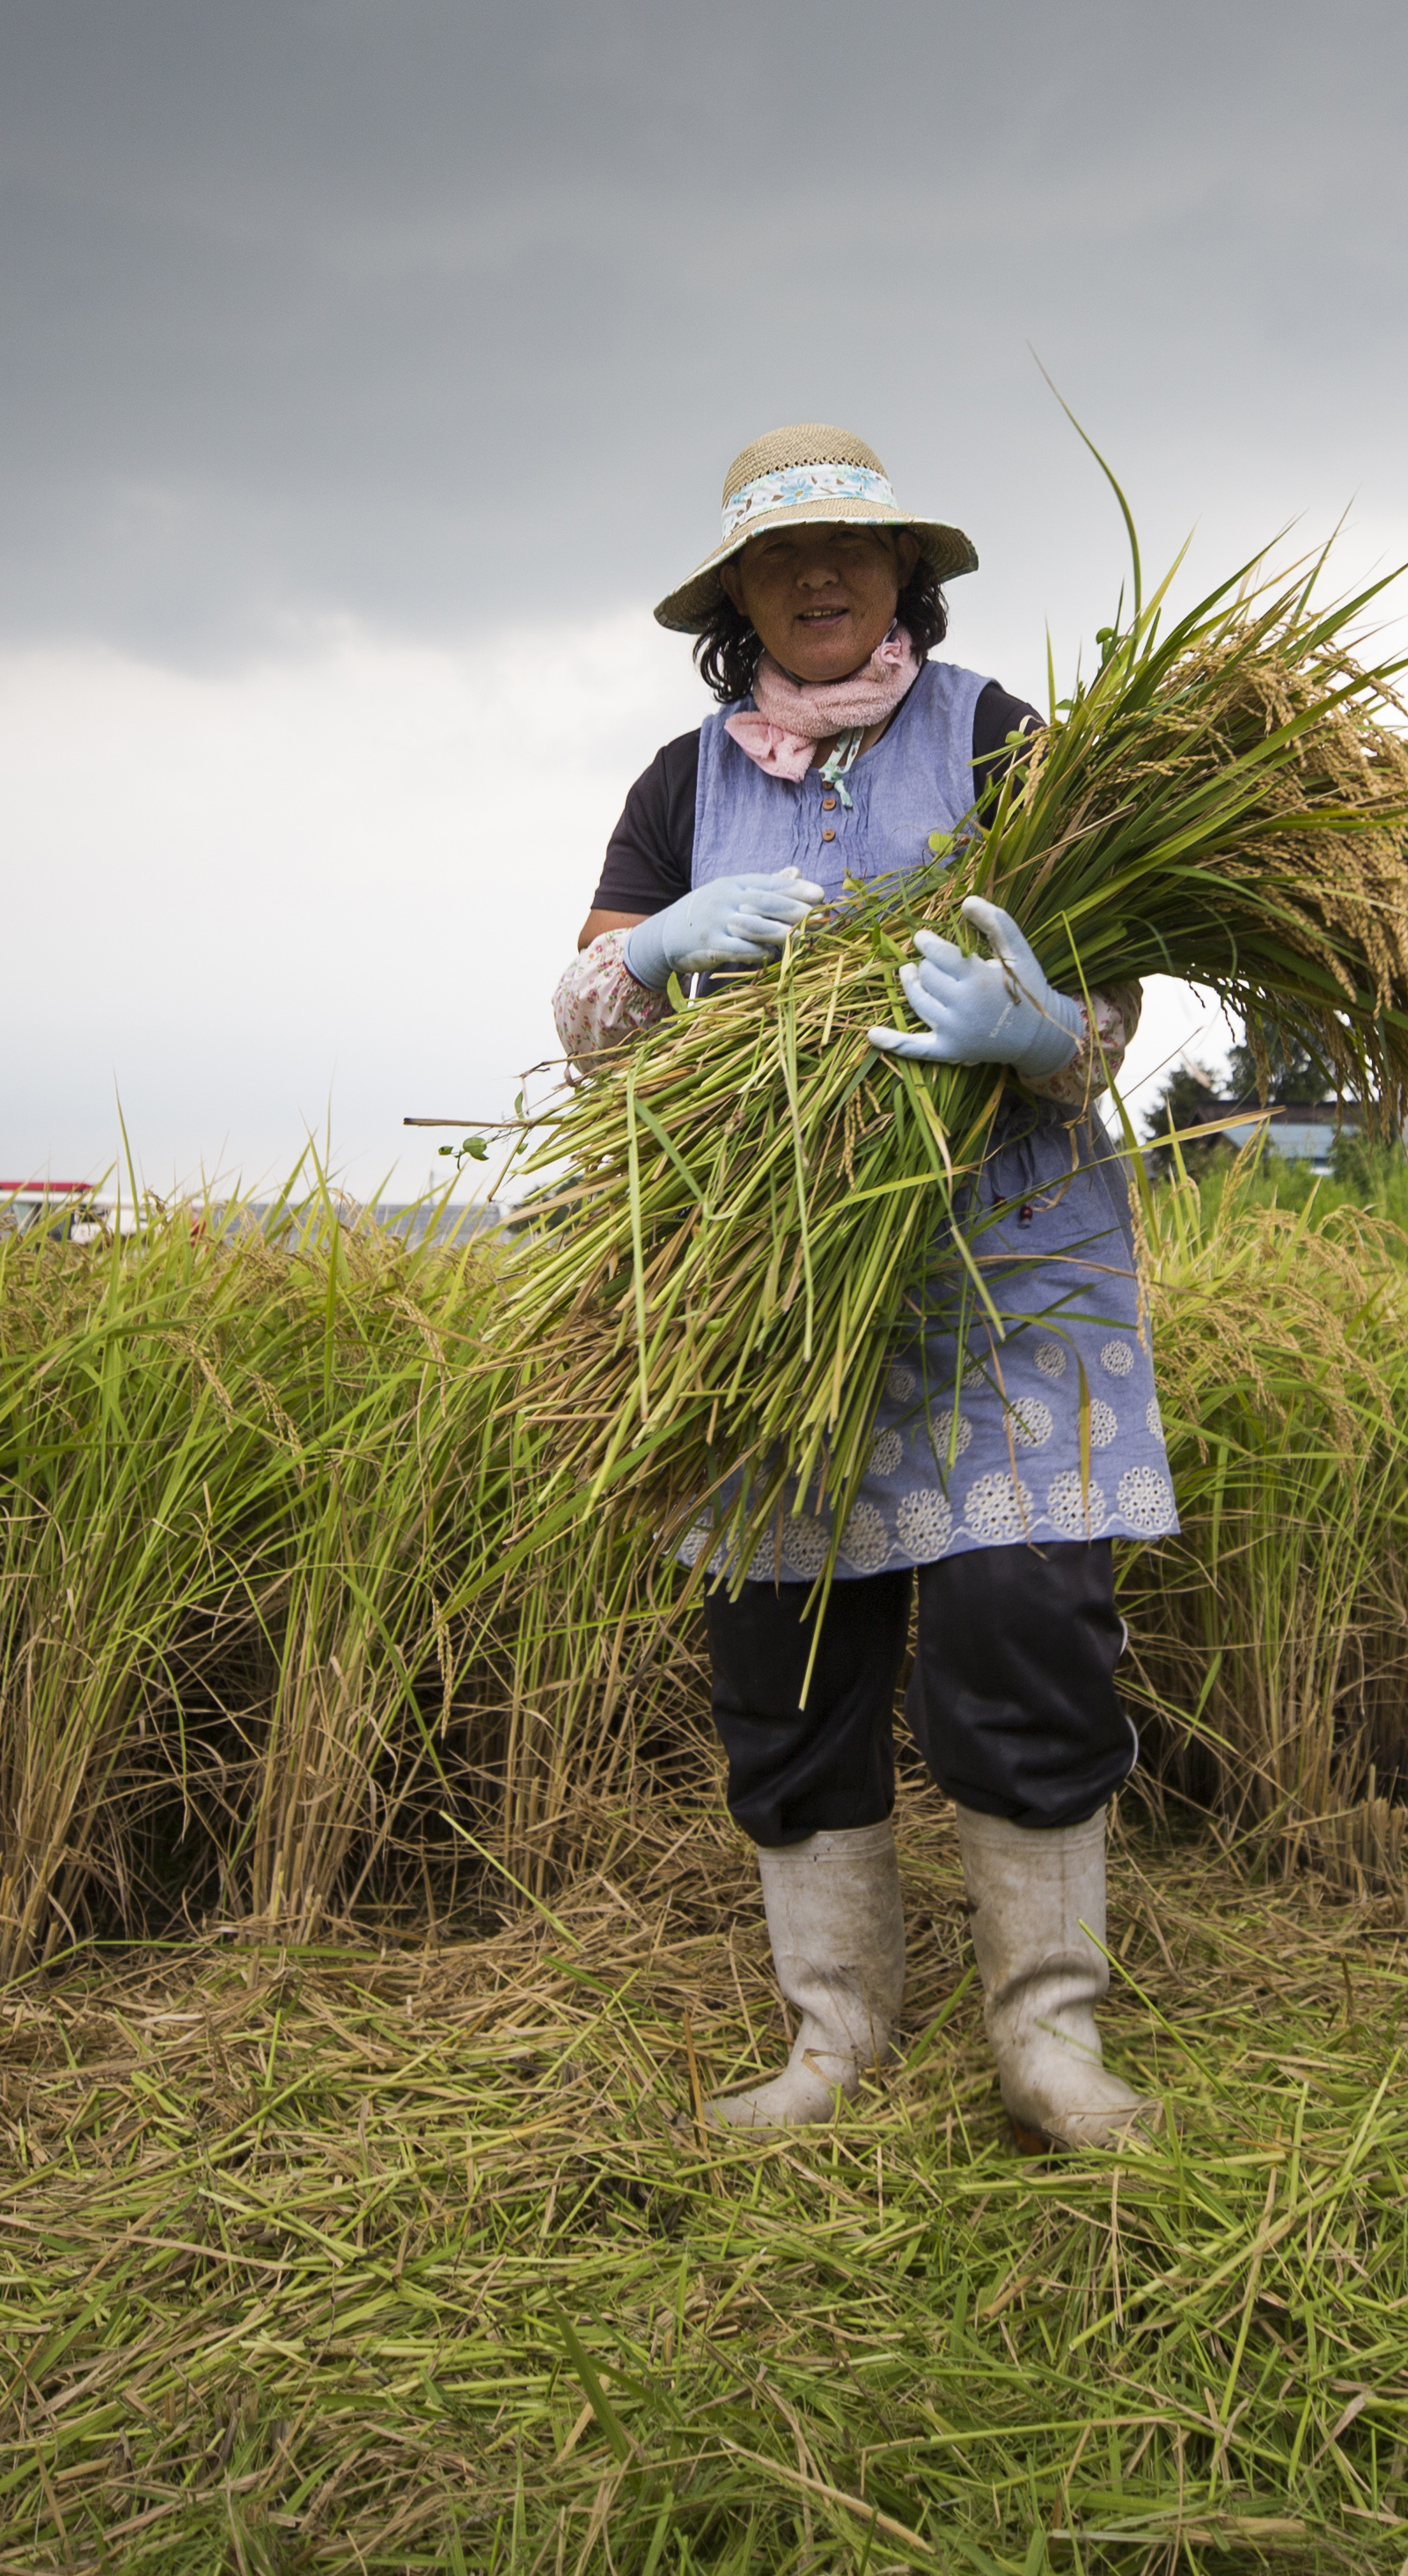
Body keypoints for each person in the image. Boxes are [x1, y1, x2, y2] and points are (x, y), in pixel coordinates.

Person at [553, 422, 1172, 2151]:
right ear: (736, 593)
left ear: (910, 573)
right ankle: (831, 2043)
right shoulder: (681, 788)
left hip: (998, 1280)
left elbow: (1111, 1013)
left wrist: (1039, 1032)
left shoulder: (1000, 741)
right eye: (780, 558)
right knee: (788, 1643)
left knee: (1021, 1628)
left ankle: (1049, 2043)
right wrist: (656, 958)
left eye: (855, 550)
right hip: (769, 1286)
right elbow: (594, 1021)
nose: (820, 579)